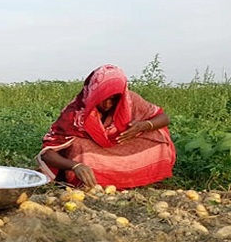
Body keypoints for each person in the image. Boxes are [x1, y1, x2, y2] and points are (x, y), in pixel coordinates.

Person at [37, 64, 175, 189]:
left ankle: (134, 177)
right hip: (94, 152)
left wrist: (143, 125)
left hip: (122, 146)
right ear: (93, 93)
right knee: (78, 146)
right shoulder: (75, 113)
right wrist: (75, 166)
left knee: (157, 136)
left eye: (113, 99)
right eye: (103, 98)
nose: (108, 104)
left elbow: (163, 118)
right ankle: (94, 181)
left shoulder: (129, 100)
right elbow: (47, 153)